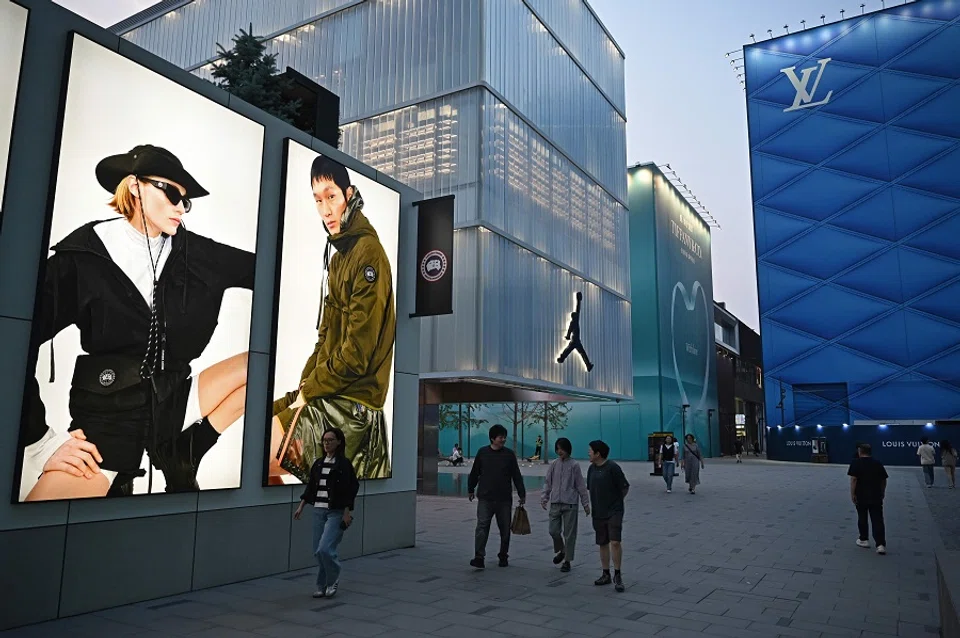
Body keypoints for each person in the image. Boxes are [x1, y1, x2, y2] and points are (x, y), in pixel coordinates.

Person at [20, 144, 254, 501]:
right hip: (109, 419)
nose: (180, 207)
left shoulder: (198, 254)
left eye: (186, 201)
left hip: (174, 402)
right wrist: (39, 440)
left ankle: (184, 451)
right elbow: (13, 339)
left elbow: (270, 270)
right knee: (37, 531)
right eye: (172, 193)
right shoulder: (81, 259)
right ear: (134, 186)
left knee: (259, 367)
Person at [270, 155, 396, 482]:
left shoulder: (368, 254)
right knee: (259, 424)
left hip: (354, 405)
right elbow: (324, 338)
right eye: (317, 200)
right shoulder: (340, 257)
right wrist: (303, 385)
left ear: (349, 195)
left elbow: (356, 354)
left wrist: (309, 390)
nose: (325, 209)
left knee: (264, 447)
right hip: (331, 391)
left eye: (331, 196)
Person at [293, 427, 359, 599]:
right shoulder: (319, 463)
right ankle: (321, 585)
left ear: (338, 442)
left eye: (330, 440)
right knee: (318, 551)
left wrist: (347, 512)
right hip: (318, 511)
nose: (327, 443)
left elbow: (350, 489)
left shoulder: (344, 464)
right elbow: (311, 488)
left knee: (325, 549)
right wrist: (301, 506)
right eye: (324, 440)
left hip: (335, 512)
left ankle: (334, 576)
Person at [468, 424, 525, 569]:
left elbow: (516, 475)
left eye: (504, 437)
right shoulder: (482, 453)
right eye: (501, 437)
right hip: (485, 498)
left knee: (505, 529)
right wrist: (470, 489)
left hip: (504, 499)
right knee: (482, 526)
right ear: (492, 438)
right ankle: (479, 557)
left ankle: (503, 555)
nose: (503, 439)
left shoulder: (509, 455)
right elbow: (475, 472)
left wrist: (521, 493)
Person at [541, 437, 590, 573]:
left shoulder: (574, 465)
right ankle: (562, 550)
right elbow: (548, 482)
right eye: (557, 448)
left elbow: (580, 485)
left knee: (570, 534)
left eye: (562, 448)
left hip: (570, 504)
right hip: (556, 503)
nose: (559, 451)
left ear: (568, 449)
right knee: (553, 531)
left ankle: (567, 560)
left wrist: (585, 503)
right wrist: (544, 497)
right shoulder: (554, 464)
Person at [587, 440, 629, 593]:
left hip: (614, 511)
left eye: (590, 450)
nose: (588, 453)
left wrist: (616, 503)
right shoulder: (591, 469)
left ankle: (617, 575)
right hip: (598, 511)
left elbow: (624, 487)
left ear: (598, 453)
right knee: (602, 542)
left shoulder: (613, 468)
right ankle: (606, 573)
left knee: (615, 541)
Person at [847, 443, 888, 555]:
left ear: (860, 451)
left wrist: (852, 494)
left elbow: (854, 479)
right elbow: (884, 479)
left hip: (861, 495)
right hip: (876, 495)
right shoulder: (877, 463)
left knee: (862, 517)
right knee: (878, 519)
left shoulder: (856, 463)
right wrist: (882, 491)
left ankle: (864, 539)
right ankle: (880, 544)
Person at [557, 292, 594, 372]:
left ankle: (588, 365)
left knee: (575, 352)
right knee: (577, 352)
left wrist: (579, 300)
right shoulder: (574, 322)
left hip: (576, 340)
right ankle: (587, 365)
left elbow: (578, 309)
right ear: (574, 317)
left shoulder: (574, 321)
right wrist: (568, 336)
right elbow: (569, 331)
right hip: (575, 341)